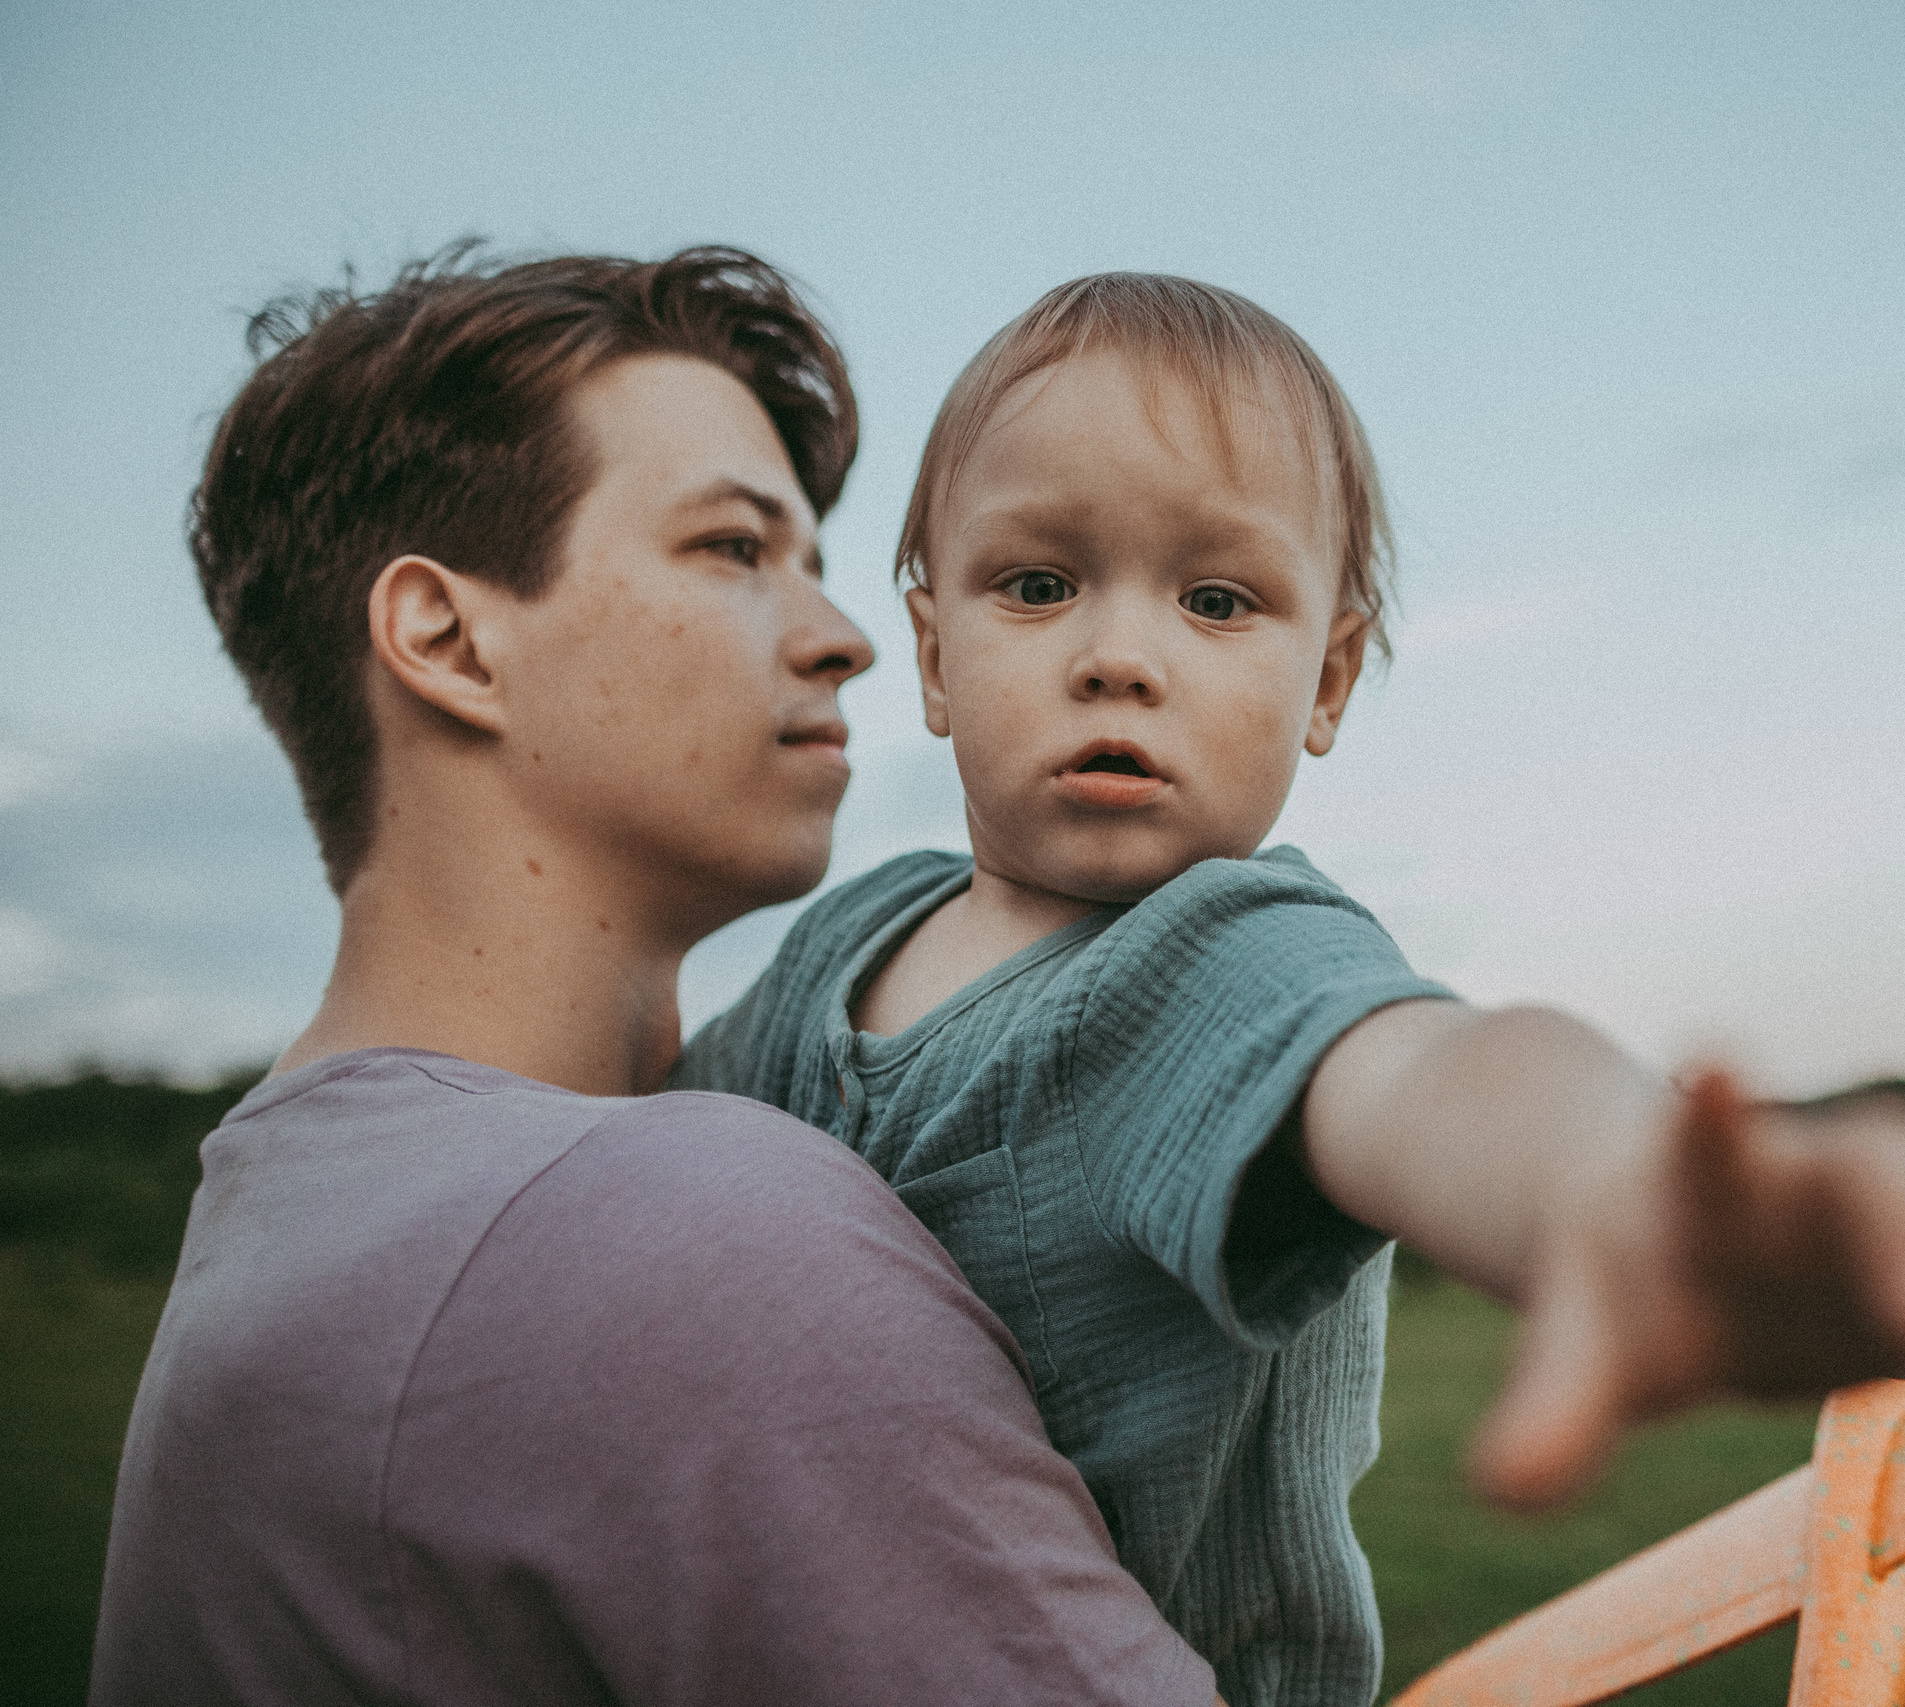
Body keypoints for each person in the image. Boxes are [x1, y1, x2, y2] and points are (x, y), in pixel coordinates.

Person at [674, 273, 1905, 1706]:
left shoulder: (1224, 952)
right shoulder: (838, 942)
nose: (1119, 656)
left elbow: (1423, 1077)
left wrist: (1614, 1173)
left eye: (1216, 601)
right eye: (1039, 583)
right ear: (933, 652)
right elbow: (621, 1175)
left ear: (1328, 681)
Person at [91, 248, 1214, 1706]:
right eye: (735, 550)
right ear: (448, 639)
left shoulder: (288, 1211)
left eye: (810, 558)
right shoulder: (682, 1241)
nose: (848, 637)